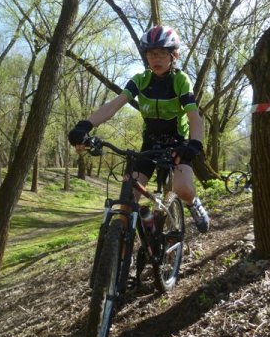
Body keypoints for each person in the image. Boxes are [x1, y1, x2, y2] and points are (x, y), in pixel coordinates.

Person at [68, 25, 210, 233]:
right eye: (152, 54)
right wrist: (85, 125)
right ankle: (121, 253)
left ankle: (193, 203)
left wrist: (195, 143)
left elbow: (194, 116)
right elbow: (114, 105)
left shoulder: (180, 80)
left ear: (174, 55)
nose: (156, 59)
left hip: (178, 143)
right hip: (150, 143)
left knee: (182, 189)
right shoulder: (141, 80)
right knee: (127, 197)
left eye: (162, 53)